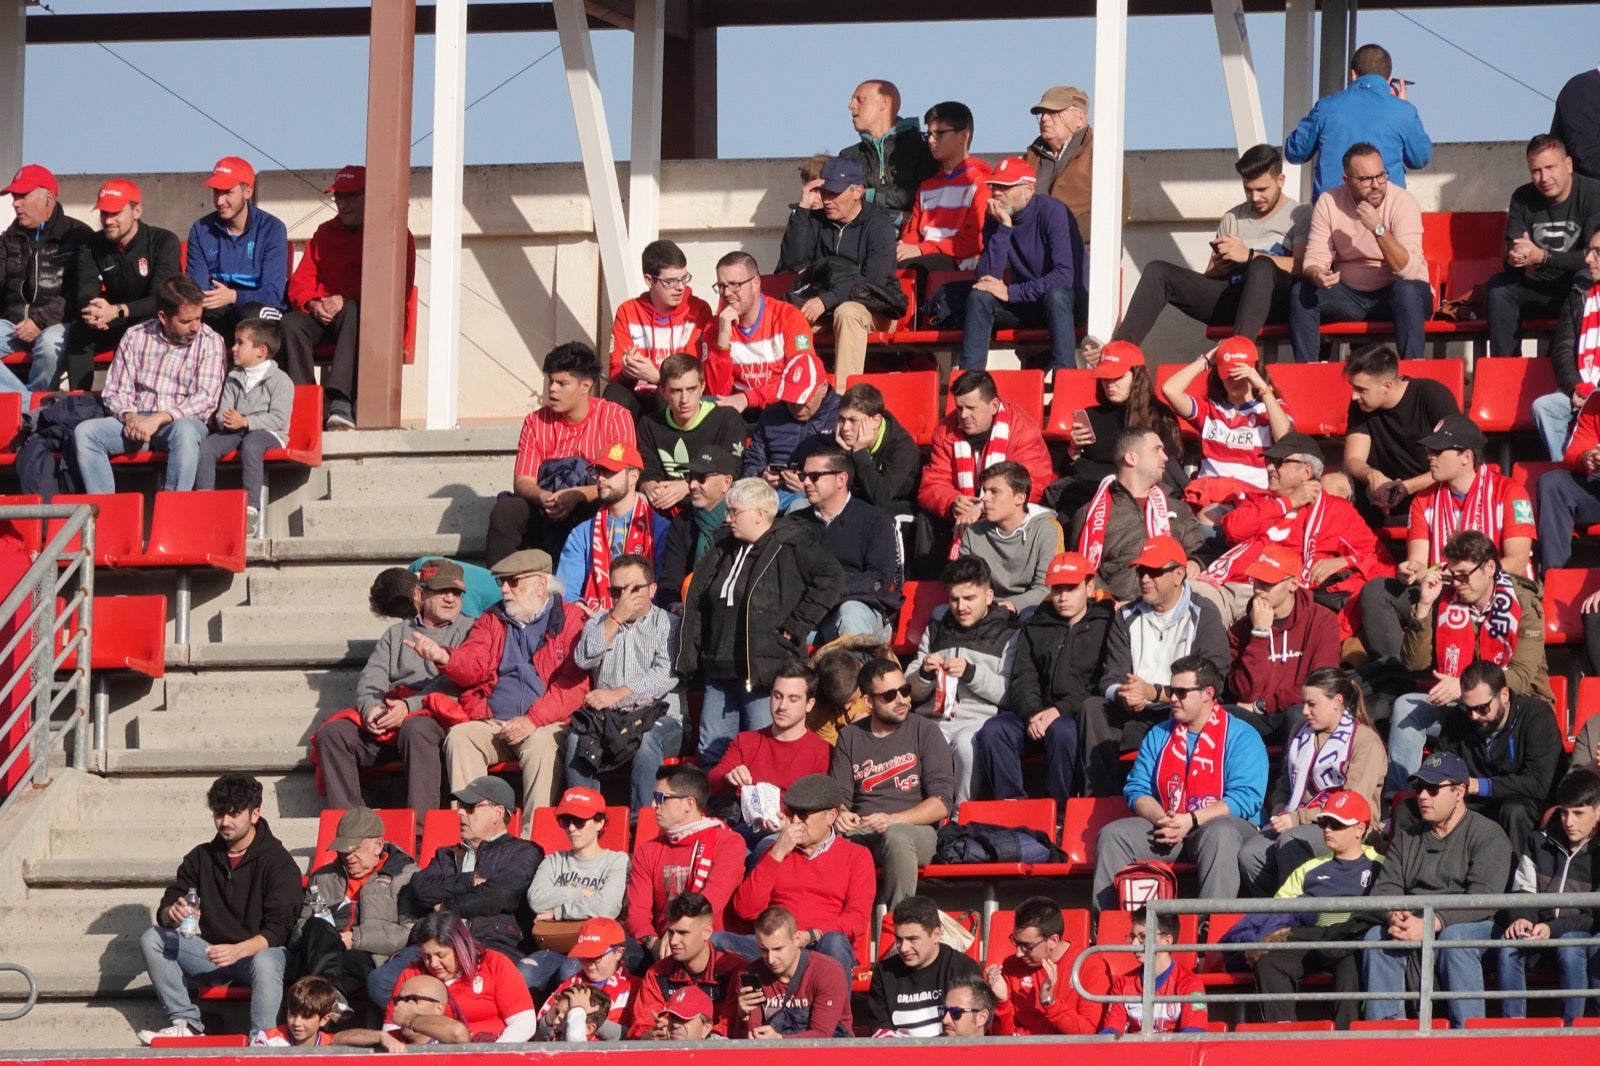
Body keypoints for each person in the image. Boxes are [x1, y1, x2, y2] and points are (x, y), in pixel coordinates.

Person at [676, 477, 844, 768]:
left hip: (766, 671)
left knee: (762, 751)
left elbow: (831, 578)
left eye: (734, 512)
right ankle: (719, 811)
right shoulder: (721, 548)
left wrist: (796, 625)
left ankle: (761, 812)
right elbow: (699, 604)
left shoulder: (791, 544)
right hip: (718, 669)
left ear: (759, 513)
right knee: (712, 752)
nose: (727, 519)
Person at [421, 549, 590, 815]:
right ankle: (473, 831)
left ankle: (534, 837)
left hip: (546, 723)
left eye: (514, 581)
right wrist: (445, 657)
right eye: (502, 582)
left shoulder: (573, 621)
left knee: (542, 745)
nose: (505, 590)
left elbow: (572, 688)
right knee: (461, 737)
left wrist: (532, 720)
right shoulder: (492, 618)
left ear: (540, 583)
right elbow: (474, 663)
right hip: (495, 721)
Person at [1091, 655, 1267, 911]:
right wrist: (1164, 819)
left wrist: (1191, 820)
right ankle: (1110, 930)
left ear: (1208, 693)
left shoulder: (1242, 736)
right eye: (1172, 691)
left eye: (1182, 692)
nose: (1173, 698)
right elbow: (1136, 788)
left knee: (1220, 834)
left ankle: (1211, 935)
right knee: (1113, 835)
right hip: (1170, 826)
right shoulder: (1159, 734)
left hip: (1223, 828)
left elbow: (1246, 798)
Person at [135, 773, 301, 1043]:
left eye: (234, 814)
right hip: (214, 955)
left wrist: (239, 950)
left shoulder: (278, 862)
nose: (225, 822)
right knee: (153, 938)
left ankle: (263, 1038)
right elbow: (170, 902)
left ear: (255, 813)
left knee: (267, 959)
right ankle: (186, 1022)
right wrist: (171, 914)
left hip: (260, 956)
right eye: (219, 814)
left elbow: (280, 929)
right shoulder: (201, 857)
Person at [1387, 533, 1554, 795]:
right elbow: (1413, 664)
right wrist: (1424, 606)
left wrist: (1463, 688)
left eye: (1463, 574)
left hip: (1512, 708)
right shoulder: (1445, 599)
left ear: (1489, 568)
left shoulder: (1524, 606)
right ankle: (1400, 800)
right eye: (1452, 574)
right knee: (1405, 706)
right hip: (1462, 709)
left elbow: (1521, 677)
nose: (1457, 583)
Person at [1360, 414, 1533, 665]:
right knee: (1377, 592)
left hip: (1495, 588)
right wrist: (1411, 570)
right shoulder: (1423, 500)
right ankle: (1399, 676)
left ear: (1466, 457)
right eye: (1429, 450)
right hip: (1444, 587)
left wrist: (1469, 578)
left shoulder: (1509, 491)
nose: (1430, 456)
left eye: (1438, 451)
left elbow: (1517, 562)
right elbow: (1419, 563)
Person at [1360, 751, 1514, 1028]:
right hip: (1416, 922)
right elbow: (1385, 890)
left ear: (1460, 791)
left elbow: (1483, 900)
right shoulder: (1407, 838)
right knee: (1377, 936)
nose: (1422, 796)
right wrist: (1396, 916)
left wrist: (1431, 923)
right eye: (1419, 788)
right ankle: (1386, 1034)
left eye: (1433, 789)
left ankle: (1468, 1034)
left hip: (1473, 925)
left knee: (1456, 939)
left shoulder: (1488, 834)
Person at [313, 558, 473, 822]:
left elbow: (459, 682)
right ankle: (352, 826)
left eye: (456, 592)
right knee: (333, 733)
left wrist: (411, 708)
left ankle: (422, 829)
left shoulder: (470, 629)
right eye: (442, 591)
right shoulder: (396, 633)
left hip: (435, 717)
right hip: (391, 717)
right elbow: (372, 676)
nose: (450, 599)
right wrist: (371, 708)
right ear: (420, 594)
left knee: (416, 729)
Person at [367, 776, 541, 1008]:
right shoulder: (447, 854)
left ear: (498, 813)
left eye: (470, 808)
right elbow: (420, 889)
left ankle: (438, 1022)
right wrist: (469, 881)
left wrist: (447, 907)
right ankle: (435, 1023)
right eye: (461, 807)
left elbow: (500, 895)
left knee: (472, 993)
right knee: (381, 982)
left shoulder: (524, 852)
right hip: (436, 944)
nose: (460, 814)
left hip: (489, 945)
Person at [1078, 538, 1231, 796]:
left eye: (1154, 571)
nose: (1145, 578)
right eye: (1141, 572)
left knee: (1200, 706)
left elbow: (1213, 680)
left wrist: (1155, 692)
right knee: (1093, 708)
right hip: (1135, 712)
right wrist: (1123, 694)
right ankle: (1099, 800)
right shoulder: (1126, 616)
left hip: (1181, 712)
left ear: (1178, 575)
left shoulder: (1204, 613)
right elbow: (1110, 678)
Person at [1114, 145, 1309, 345]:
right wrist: (1218, 269)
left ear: (1280, 180)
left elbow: (1302, 266)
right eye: (1248, 190)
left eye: (1262, 190)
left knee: (1261, 267)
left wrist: (1250, 256)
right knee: (1158, 271)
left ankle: (1238, 351)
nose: (1255, 197)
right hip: (1232, 296)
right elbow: (1209, 273)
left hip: (1273, 301)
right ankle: (1121, 350)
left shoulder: (1300, 214)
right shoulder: (1232, 217)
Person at [1205, 434, 1390, 630]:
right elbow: (1234, 530)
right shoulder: (1259, 500)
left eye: (1278, 462)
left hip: (1281, 599)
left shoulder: (1335, 511)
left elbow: (1380, 558)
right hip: (1230, 587)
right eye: (1268, 461)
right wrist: (1288, 502)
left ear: (1306, 471)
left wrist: (1344, 561)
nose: (1269, 467)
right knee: (1195, 596)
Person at [280, 164, 416, 429]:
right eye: (339, 197)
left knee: (353, 309)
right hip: (326, 317)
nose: (343, 204)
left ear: (371, 196)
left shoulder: (395, 235)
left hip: (370, 321)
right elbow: (300, 282)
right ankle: (308, 405)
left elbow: (398, 288)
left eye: (351, 196)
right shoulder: (324, 233)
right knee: (291, 324)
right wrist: (313, 303)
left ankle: (340, 402)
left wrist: (344, 298)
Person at [974, 551, 1110, 805]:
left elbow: (1100, 682)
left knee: (1063, 733)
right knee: (994, 731)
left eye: (1071, 588)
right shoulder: (1036, 624)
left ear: (1089, 587)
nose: (1063, 597)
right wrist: (1033, 714)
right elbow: (1023, 678)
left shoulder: (1106, 624)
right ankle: (1012, 806)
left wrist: (1059, 710)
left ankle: (1059, 811)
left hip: (1075, 716)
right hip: (1035, 715)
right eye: (1057, 589)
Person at [71, 274, 227, 495]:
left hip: (180, 421)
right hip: (138, 419)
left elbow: (206, 398)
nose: (195, 327)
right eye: (185, 321)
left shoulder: (210, 341)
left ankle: (172, 513)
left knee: (185, 433)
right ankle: (104, 514)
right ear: (163, 317)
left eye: (198, 318)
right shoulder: (135, 336)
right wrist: (130, 416)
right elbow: (116, 390)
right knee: (86, 432)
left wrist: (159, 418)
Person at [1236, 667, 1385, 895]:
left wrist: (1297, 819)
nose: (1304, 711)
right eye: (1304, 703)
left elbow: (1354, 803)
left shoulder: (1365, 741)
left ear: (1337, 701)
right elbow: (1285, 781)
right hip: (1296, 818)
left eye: (1312, 704)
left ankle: (1297, 921)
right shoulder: (1301, 731)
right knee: (1251, 854)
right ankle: (1276, 916)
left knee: (1291, 842)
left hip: (1346, 828)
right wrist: (1279, 810)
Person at [486, 341, 636, 565]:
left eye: (562, 383)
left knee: (609, 503)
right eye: (551, 381)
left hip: (593, 503)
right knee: (507, 510)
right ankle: (500, 585)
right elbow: (523, 482)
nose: (552, 389)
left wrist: (577, 494)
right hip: (547, 507)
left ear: (585, 386)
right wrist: (544, 496)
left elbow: (624, 479)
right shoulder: (535, 422)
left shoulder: (615, 417)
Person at [1250, 788, 1382, 1030]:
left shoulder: (1379, 866)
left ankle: (1346, 1042)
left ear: (1360, 830)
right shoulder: (1309, 868)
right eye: (1324, 822)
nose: (1328, 829)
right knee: (1269, 962)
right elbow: (1279, 911)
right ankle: (1284, 1040)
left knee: (1348, 961)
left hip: (1351, 942)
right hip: (1313, 938)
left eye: (1337, 824)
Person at [1290, 142, 1431, 362]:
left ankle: (1413, 374)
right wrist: (1318, 275)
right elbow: (1314, 259)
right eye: (1365, 179)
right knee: (1302, 292)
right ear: (1347, 181)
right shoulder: (1329, 202)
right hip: (1350, 296)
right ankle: (1308, 373)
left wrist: (1378, 229)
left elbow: (1408, 270)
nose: (1376, 185)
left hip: (1398, 293)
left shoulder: (1403, 201)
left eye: (1381, 176)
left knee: (1407, 291)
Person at [832, 659, 957, 907]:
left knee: (896, 835)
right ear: (868, 702)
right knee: (819, 838)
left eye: (905, 691)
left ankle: (899, 924)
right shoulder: (850, 736)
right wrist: (841, 815)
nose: (901, 700)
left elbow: (942, 803)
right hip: (863, 831)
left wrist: (893, 819)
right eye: (890, 695)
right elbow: (839, 799)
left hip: (914, 833)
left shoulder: (925, 731)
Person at [562, 554, 682, 810]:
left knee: (646, 741)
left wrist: (617, 694)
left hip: (659, 716)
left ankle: (643, 822)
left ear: (652, 589)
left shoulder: (669, 625)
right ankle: (585, 817)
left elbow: (664, 675)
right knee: (575, 741)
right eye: (617, 591)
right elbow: (583, 659)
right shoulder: (599, 622)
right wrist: (615, 619)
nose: (625, 598)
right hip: (609, 721)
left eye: (634, 589)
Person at [724, 774, 874, 978]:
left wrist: (812, 935)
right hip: (776, 948)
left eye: (803, 816)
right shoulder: (775, 851)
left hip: (822, 945)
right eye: (792, 813)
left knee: (834, 942)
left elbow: (856, 918)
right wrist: (777, 853)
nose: (795, 821)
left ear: (830, 817)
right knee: (717, 943)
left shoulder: (857, 856)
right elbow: (745, 909)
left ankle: (832, 1009)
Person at [775, 155, 901, 384]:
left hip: (874, 308)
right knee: (788, 319)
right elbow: (791, 261)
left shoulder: (878, 224)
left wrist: (826, 300)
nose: (827, 200)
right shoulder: (815, 219)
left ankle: (844, 401)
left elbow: (874, 280)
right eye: (824, 192)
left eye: (835, 193)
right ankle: (798, 392)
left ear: (857, 191)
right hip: (826, 308)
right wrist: (803, 208)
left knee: (848, 312)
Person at [908, 557, 1020, 805]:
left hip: (978, 719)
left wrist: (972, 673)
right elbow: (911, 693)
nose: (961, 607)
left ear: (989, 596)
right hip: (933, 719)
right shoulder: (935, 628)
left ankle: (960, 815)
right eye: (954, 599)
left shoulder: (1008, 634)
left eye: (969, 598)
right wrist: (924, 674)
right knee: (907, 738)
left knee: (966, 744)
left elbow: (1009, 693)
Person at [1420, 660, 1563, 849]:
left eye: (1482, 708)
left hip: (1527, 803)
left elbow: (1538, 784)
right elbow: (1442, 762)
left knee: (1514, 810)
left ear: (1504, 695)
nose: (1474, 716)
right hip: (1475, 803)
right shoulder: (1459, 717)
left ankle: (1516, 875)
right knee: (1413, 807)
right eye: (1468, 707)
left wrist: (1479, 785)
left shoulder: (1536, 716)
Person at [958, 157, 1084, 372]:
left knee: (1057, 295)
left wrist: (1012, 293)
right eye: (995, 186)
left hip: (1066, 306)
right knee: (980, 297)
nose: (997, 192)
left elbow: (1064, 276)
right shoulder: (996, 218)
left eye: (1006, 186)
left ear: (1028, 190)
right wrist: (1003, 229)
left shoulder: (1052, 211)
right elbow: (987, 279)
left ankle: (1065, 380)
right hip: (1029, 305)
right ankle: (970, 383)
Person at [1496, 768, 1600, 1024]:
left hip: (1581, 932)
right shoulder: (1537, 841)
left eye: (1578, 813)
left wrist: (1552, 929)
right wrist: (1522, 917)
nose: (1569, 822)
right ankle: (1513, 1028)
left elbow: (1596, 915)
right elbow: (1523, 889)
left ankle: (1572, 1028)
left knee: (1571, 946)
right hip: (1541, 930)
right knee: (1509, 944)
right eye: (1564, 812)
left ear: (1598, 812)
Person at [919, 369, 1056, 562]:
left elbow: (1031, 485)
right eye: (959, 408)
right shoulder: (945, 430)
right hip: (963, 513)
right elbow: (932, 484)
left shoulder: (1022, 430)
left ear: (993, 405)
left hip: (1005, 512)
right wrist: (953, 502)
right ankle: (931, 586)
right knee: (926, 519)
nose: (963, 415)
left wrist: (984, 506)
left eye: (971, 408)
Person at [289, 807, 417, 1003]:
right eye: (342, 850)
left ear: (378, 845)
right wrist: (325, 938)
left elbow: (409, 933)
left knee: (332, 965)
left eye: (355, 849)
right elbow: (299, 930)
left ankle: (321, 1000)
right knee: (317, 926)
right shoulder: (323, 878)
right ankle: (330, 1001)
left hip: (370, 956)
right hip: (319, 952)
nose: (348, 857)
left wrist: (356, 938)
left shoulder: (405, 877)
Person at [1489, 135, 1600, 361]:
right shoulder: (1522, 197)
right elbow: (1513, 253)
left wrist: (1542, 256)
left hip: (1575, 286)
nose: (1543, 178)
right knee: (1499, 288)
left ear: (1568, 165)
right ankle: (1506, 368)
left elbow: (1593, 257)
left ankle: (1579, 368)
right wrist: (1515, 257)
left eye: (1550, 167)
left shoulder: (1592, 193)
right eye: (1535, 171)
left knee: (1585, 281)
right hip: (1539, 286)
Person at [65, 176, 181, 391]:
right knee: (79, 330)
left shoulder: (163, 241)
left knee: (152, 325)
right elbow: (86, 288)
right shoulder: (91, 244)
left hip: (154, 321)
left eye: (115, 213)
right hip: (113, 319)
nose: (108, 220)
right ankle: (78, 401)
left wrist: (118, 310)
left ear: (137, 211)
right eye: (104, 213)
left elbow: (162, 299)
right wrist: (93, 311)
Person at [1221, 544, 1344, 745]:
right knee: (1221, 716)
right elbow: (1245, 693)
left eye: (1268, 582)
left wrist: (1264, 704)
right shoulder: (1240, 629)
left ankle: (1287, 778)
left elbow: (1321, 685)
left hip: (1299, 711)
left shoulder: (1322, 621)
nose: (1259, 588)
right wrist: (1259, 634)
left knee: (1298, 716)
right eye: (1257, 580)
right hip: (1256, 717)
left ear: (1293, 584)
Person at [1049, 340, 1186, 518]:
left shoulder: (1159, 417)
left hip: (1137, 501)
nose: (1110, 384)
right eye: (1105, 378)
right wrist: (1073, 450)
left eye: (1117, 377)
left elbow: (1168, 471)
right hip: (1090, 497)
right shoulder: (1092, 415)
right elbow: (1067, 472)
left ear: (1137, 376)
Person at [1069, 425, 1202, 606]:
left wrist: (1196, 562)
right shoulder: (1089, 514)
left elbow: (1199, 551)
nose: (1165, 457)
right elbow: (1082, 566)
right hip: (1113, 612)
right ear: (1131, 458)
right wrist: (1108, 602)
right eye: (1157, 450)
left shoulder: (1179, 509)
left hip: (1170, 609)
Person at [1284, 43, 1432, 200]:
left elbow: (1295, 152)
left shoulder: (1326, 107)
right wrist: (1402, 106)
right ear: (1389, 79)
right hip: (1384, 209)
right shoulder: (1404, 111)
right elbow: (1419, 159)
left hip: (1333, 211)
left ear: (1353, 74)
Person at [624, 765, 747, 954]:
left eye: (661, 798)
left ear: (689, 804)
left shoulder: (728, 843)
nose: (653, 805)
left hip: (710, 947)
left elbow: (711, 901)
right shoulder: (647, 851)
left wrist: (677, 934)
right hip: (661, 947)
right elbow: (637, 914)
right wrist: (652, 942)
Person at [707, 667, 834, 850]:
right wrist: (728, 775)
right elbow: (710, 783)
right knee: (726, 848)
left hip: (794, 834)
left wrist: (788, 825)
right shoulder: (747, 741)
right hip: (747, 830)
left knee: (766, 847)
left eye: (793, 699)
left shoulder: (824, 752)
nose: (782, 706)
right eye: (777, 696)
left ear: (809, 704)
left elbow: (822, 814)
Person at [520, 791, 631, 995]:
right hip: (555, 943)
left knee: (571, 972)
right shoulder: (554, 860)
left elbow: (606, 908)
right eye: (565, 820)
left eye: (579, 821)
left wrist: (557, 912)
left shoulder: (616, 861)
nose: (571, 828)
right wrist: (580, 892)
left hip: (595, 949)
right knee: (525, 972)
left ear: (599, 823)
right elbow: (536, 899)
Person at [193, 314, 294, 536]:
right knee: (207, 446)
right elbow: (222, 413)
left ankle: (251, 508)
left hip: (269, 434)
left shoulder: (280, 380)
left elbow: (278, 418)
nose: (233, 348)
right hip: (236, 431)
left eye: (240, 343)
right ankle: (203, 502)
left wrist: (246, 421)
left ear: (261, 351)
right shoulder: (233, 378)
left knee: (252, 444)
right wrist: (227, 421)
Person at [791, 442, 901, 642]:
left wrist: (827, 588)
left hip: (858, 608)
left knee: (851, 614)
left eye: (814, 476)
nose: (806, 482)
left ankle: (855, 673)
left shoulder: (874, 520)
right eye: (803, 476)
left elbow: (879, 579)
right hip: (808, 615)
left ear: (841, 479)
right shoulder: (794, 523)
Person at [1340, 343, 1461, 525]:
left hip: (1431, 493)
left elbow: (1458, 461)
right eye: (1353, 388)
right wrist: (1372, 476)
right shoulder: (1361, 405)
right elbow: (1352, 460)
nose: (1354, 396)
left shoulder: (1432, 396)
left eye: (1361, 390)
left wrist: (1406, 487)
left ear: (1387, 386)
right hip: (1380, 495)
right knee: (1333, 483)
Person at [0, 164, 90, 397]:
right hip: (12, 325)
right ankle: (32, 406)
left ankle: (25, 408)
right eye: (14, 196)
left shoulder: (79, 236)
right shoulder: (7, 239)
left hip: (58, 324)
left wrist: (40, 321)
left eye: (23, 195)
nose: (15, 203)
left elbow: (81, 291)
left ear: (48, 198)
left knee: (49, 347)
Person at [1158, 337, 1292, 493]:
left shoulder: (1271, 407)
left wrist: (1263, 387)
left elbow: (1286, 440)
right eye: (1228, 374)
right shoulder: (1209, 410)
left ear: (1255, 370)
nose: (1235, 381)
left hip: (1252, 497)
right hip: (1210, 495)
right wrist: (1206, 360)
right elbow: (1170, 390)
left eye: (1241, 373)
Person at [383, 911, 538, 1042]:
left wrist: (492, 1054)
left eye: (441, 955)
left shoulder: (494, 964)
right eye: (427, 956)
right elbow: (391, 1032)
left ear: (459, 947)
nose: (434, 963)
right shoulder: (412, 977)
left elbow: (524, 1022)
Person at [606, 239, 716, 413]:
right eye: (671, 282)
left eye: (684, 278)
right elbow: (615, 372)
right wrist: (628, 371)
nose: (680, 287)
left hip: (675, 397)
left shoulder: (697, 310)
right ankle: (620, 442)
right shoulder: (628, 311)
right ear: (649, 280)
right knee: (613, 393)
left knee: (665, 397)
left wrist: (658, 377)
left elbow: (695, 373)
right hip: (636, 393)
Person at [554, 442, 666, 611]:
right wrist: (579, 609)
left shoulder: (661, 529)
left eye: (610, 471)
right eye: (597, 471)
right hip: (594, 623)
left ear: (634, 476)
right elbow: (566, 592)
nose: (600, 478)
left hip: (648, 625)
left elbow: (665, 589)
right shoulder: (581, 533)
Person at [185, 156, 289, 338]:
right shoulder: (200, 230)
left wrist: (233, 296)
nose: (219, 201)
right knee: (190, 316)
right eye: (216, 192)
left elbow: (272, 295)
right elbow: (196, 292)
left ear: (248, 191)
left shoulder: (272, 229)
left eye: (227, 192)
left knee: (251, 316)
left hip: (259, 311)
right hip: (218, 310)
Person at [635, 354, 748, 516]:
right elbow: (648, 470)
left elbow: (731, 471)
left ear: (702, 387)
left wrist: (687, 485)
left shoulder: (727, 419)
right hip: (664, 504)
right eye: (676, 391)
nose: (684, 399)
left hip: (712, 506)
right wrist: (649, 486)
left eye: (691, 389)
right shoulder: (649, 424)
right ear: (663, 392)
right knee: (637, 500)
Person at [704, 252, 816, 414]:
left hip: (782, 408)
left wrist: (748, 398)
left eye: (735, 285)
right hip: (738, 412)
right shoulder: (716, 327)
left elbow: (800, 378)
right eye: (722, 286)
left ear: (756, 283)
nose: (727, 293)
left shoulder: (789, 318)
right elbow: (716, 394)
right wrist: (722, 346)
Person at [628, 892, 745, 1038]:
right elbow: (641, 1028)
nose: (674, 941)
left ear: (707, 932)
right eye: (671, 932)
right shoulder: (657, 974)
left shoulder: (734, 970)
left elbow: (730, 1027)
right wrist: (653, 1035)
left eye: (683, 933)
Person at [865, 894, 984, 1037]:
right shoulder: (884, 973)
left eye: (912, 939)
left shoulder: (963, 969)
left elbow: (970, 1032)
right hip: (900, 1057)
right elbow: (881, 1032)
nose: (903, 948)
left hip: (950, 1055)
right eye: (899, 939)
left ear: (936, 934)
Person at [727, 906, 852, 1039]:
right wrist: (744, 1018)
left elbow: (823, 1036)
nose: (771, 959)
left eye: (778, 949)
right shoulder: (750, 975)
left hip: (828, 1055)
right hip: (770, 1056)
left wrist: (779, 1040)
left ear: (796, 939)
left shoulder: (827, 972)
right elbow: (749, 1041)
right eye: (763, 950)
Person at [961, 460, 1065, 617]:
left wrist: (1011, 605)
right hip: (984, 608)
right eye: (984, 490)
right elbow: (965, 582)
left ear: (1020, 498)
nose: (984, 498)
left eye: (994, 491)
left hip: (1029, 609)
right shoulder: (973, 532)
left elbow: (1046, 587)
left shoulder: (1047, 529)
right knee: (938, 614)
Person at [897, 101, 992, 271]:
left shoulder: (982, 181)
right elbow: (914, 232)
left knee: (909, 269)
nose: (931, 141)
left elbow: (975, 240)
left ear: (963, 136)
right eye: (928, 135)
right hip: (927, 256)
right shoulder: (927, 186)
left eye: (940, 133)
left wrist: (921, 249)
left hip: (962, 263)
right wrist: (903, 247)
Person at [986, 895, 1100, 1035]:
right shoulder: (1011, 966)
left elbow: (1090, 1035)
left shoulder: (1089, 964)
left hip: (1070, 1053)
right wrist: (1001, 1002)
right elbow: (1000, 1042)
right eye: (1016, 942)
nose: (1019, 953)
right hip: (1022, 1053)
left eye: (1027, 946)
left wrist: (1049, 1002)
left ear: (1052, 940)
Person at [742, 351, 841, 511]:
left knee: (797, 507)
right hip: (769, 495)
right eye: (792, 400)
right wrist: (762, 476)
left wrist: (811, 485)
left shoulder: (843, 416)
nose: (797, 406)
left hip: (818, 501)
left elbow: (849, 474)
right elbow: (751, 463)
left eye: (804, 399)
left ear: (823, 388)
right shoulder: (771, 415)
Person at [1535, 229, 1600, 463]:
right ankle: (1569, 468)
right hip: (1581, 388)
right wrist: (1575, 388)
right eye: (1588, 251)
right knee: (1545, 407)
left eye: (1597, 253)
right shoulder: (1579, 294)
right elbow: (1562, 348)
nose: (1588, 259)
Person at [1023, 85, 1122, 239]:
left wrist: (1069, 236)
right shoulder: (1030, 158)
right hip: (1034, 254)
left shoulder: (1100, 155)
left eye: (1054, 112)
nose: (1044, 118)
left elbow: (1118, 206)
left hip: (1084, 252)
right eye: (1042, 113)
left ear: (1080, 118)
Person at [840, 79, 938, 231]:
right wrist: (898, 217)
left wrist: (870, 195)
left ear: (884, 103)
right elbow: (843, 205)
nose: (850, 106)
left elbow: (926, 196)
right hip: (863, 247)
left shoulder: (923, 149)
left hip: (913, 244)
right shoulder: (848, 156)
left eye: (859, 99)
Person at [1098, 908, 1208, 1034]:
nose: (1134, 944)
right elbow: (1110, 1036)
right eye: (1133, 937)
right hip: (1133, 1053)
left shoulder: (1191, 984)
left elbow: (1193, 1037)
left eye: (1143, 937)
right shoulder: (1122, 985)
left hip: (1174, 1053)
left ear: (1167, 941)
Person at [657, 443, 740, 607]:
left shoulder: (740, 522)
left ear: (726, 482)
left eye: (702, 478)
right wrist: (673, 606)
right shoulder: (682, 521)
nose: (692, 485)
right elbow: (670, 579)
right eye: (690, 477)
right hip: (685, 608)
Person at [535, 916, 634, 1040]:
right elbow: (539, 1036)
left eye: (596, 957)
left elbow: (634, 1036)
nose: (589, 964)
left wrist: (585, 1013)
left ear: (618, 953)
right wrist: (550, 1019)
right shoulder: (570, 984)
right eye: (584, 957)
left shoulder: (634, 988)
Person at [835, 381, 919, 514]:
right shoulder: (841, 440)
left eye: (853, 421)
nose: (845, 428)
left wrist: (859, 453)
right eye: (841, 419)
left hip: (896, 510)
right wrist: (844, 455)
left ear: (876, 421)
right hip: (858, 505)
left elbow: (881, 497)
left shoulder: (902, 447)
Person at [250, 976, 340, 1047]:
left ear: (324, 1020)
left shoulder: (332, 1046)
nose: (297, 1023)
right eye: (292, 1014)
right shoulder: (266, 1041)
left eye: (306, 1017)